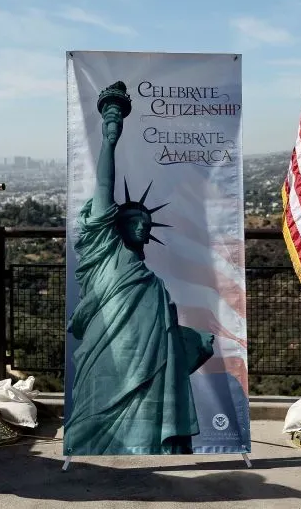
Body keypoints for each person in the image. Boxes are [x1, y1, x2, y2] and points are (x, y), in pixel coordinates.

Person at [64, 83, 215, 455]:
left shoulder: (148, 277)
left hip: (150, 359)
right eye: (133, 219)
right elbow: (104, 187)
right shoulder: (104, 248)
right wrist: (110, 139)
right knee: (95, 413)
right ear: (115, 224)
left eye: (145, 223)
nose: (142, 225)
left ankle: (152, 447)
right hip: (108, 348)